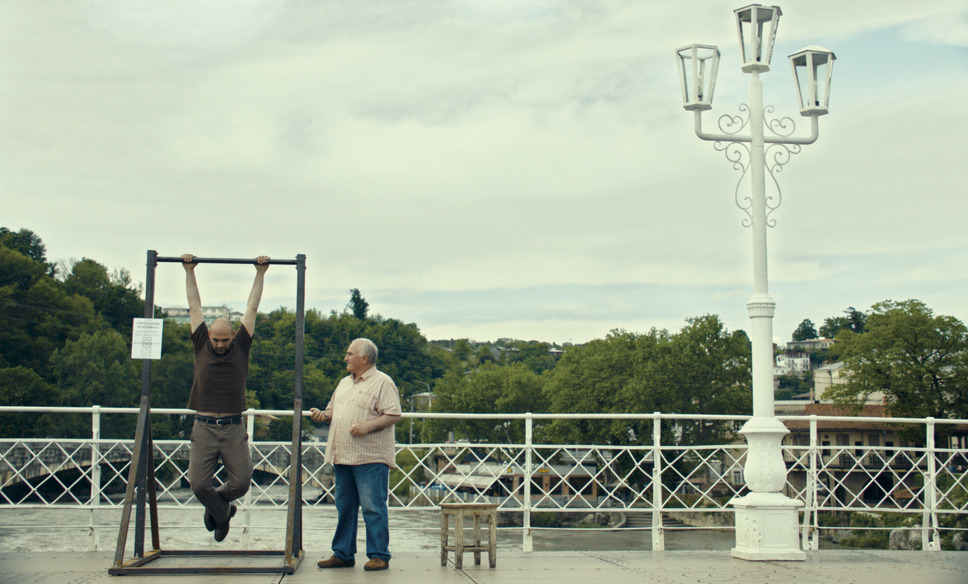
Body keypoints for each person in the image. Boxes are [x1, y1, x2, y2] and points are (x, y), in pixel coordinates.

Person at [182, 253, 269, 542]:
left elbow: (252, 307)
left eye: (224, 339)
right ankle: (222, 513)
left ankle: (219, 507)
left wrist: (261, 273)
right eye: (216, 339)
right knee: (197, 484)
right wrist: (189, 270)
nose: (220, 345)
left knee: (242, 483)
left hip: (233, 427)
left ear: (233, 336)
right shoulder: (200, 343)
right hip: (204, 426)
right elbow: (194, 305)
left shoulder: (241, 345)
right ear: (209, 334)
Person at [310, 338, 402, 572]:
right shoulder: (343, 383)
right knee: (345, 506)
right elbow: (333, 411)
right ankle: (343, 553)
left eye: (349, 354)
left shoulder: (383, 382)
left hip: (370, 456)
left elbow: (393, 414)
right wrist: (323, 415)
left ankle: (379, 554)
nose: (345, 358)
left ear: (364, 359)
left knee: (373, 506)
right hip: (342, 455)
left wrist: (367, 426)